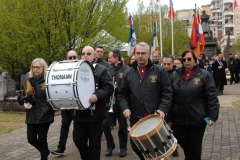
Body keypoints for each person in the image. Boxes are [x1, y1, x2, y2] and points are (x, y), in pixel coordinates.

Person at [117, 42, 172, 160]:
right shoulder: (128, 73)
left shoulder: (159, 71)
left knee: (159, 151)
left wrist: (162, 109)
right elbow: (122, 95)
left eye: (143, 53)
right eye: (138, 53)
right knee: (137, 147)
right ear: (135, 54)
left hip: (154, 118)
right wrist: (125, 108)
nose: (140, 56)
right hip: (136, 119)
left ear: (149, 54)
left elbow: (167, 93)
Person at [171, 50, 219, 160]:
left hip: (197, 118)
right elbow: (170, 96)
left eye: (189, 59)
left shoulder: (204, 75)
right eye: (184, 59)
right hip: (178, 119)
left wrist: (213, 116)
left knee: (195, 148)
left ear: (195, 60)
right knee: (186, 145)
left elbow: (211, 96)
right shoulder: (175, 74)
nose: (186, 61)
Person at [72, 46, 113, 160]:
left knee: (95, 145)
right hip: (79, 114)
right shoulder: (75, 69)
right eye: (83, 53)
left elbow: (109, 88)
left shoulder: (102, 69)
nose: (85, 55)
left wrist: (97, 95)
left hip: (95, 115)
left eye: (88, 53)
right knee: (78, 141)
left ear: (94, 55)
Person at [17, 58, 55, 160]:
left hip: (45, 113)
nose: (35, 70)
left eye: (38, 67)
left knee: (42, 139)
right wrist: (23, 98)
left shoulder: (48, 80)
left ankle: (44, 157)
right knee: (31, 139)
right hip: (32, 114)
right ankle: (45, 151)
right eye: (33, 67)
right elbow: (20, 96)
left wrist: (34, 83)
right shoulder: (27, 80)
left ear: (43, 68)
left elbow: (42, 95)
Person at [51, 50, 78, 155]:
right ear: (67, 58)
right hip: (66, 103)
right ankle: (61, 148)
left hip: (76, 104)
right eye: (70, 57)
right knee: (64, 126)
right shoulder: (63, 69)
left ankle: (79, 145)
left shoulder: (81, 68)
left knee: (78, 127)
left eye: (74, 57)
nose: (72, 59)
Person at [103, 49, 129, 157]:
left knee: (123, 128)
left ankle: (123, 147)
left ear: (116, 58)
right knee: (105, 125)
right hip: (110, 104)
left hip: (122, 104)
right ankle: (110, 145)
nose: (108, 59)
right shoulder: (108, 70)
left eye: (110, 57)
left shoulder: (127, 70)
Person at [162, 55, 179, 157]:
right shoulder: (159, 72)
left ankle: (174, 147)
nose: (166, 66)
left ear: (173, 64)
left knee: (172, 129)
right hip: (162, 106)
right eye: (164, 64)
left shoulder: (176, 75)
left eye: (169, 64)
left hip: (173, 106)